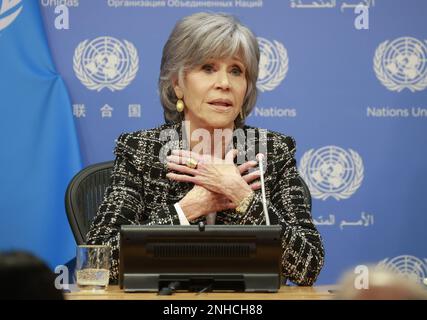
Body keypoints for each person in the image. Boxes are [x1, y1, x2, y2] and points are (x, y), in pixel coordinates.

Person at [86, 12, 324, 286]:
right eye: (208, 68)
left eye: (236, 70)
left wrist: (241, 195)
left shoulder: (270, 152)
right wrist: (188, 208)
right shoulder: (142, 151)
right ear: (177, 84)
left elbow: (309, 266)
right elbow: (99, 261)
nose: (224, 83)